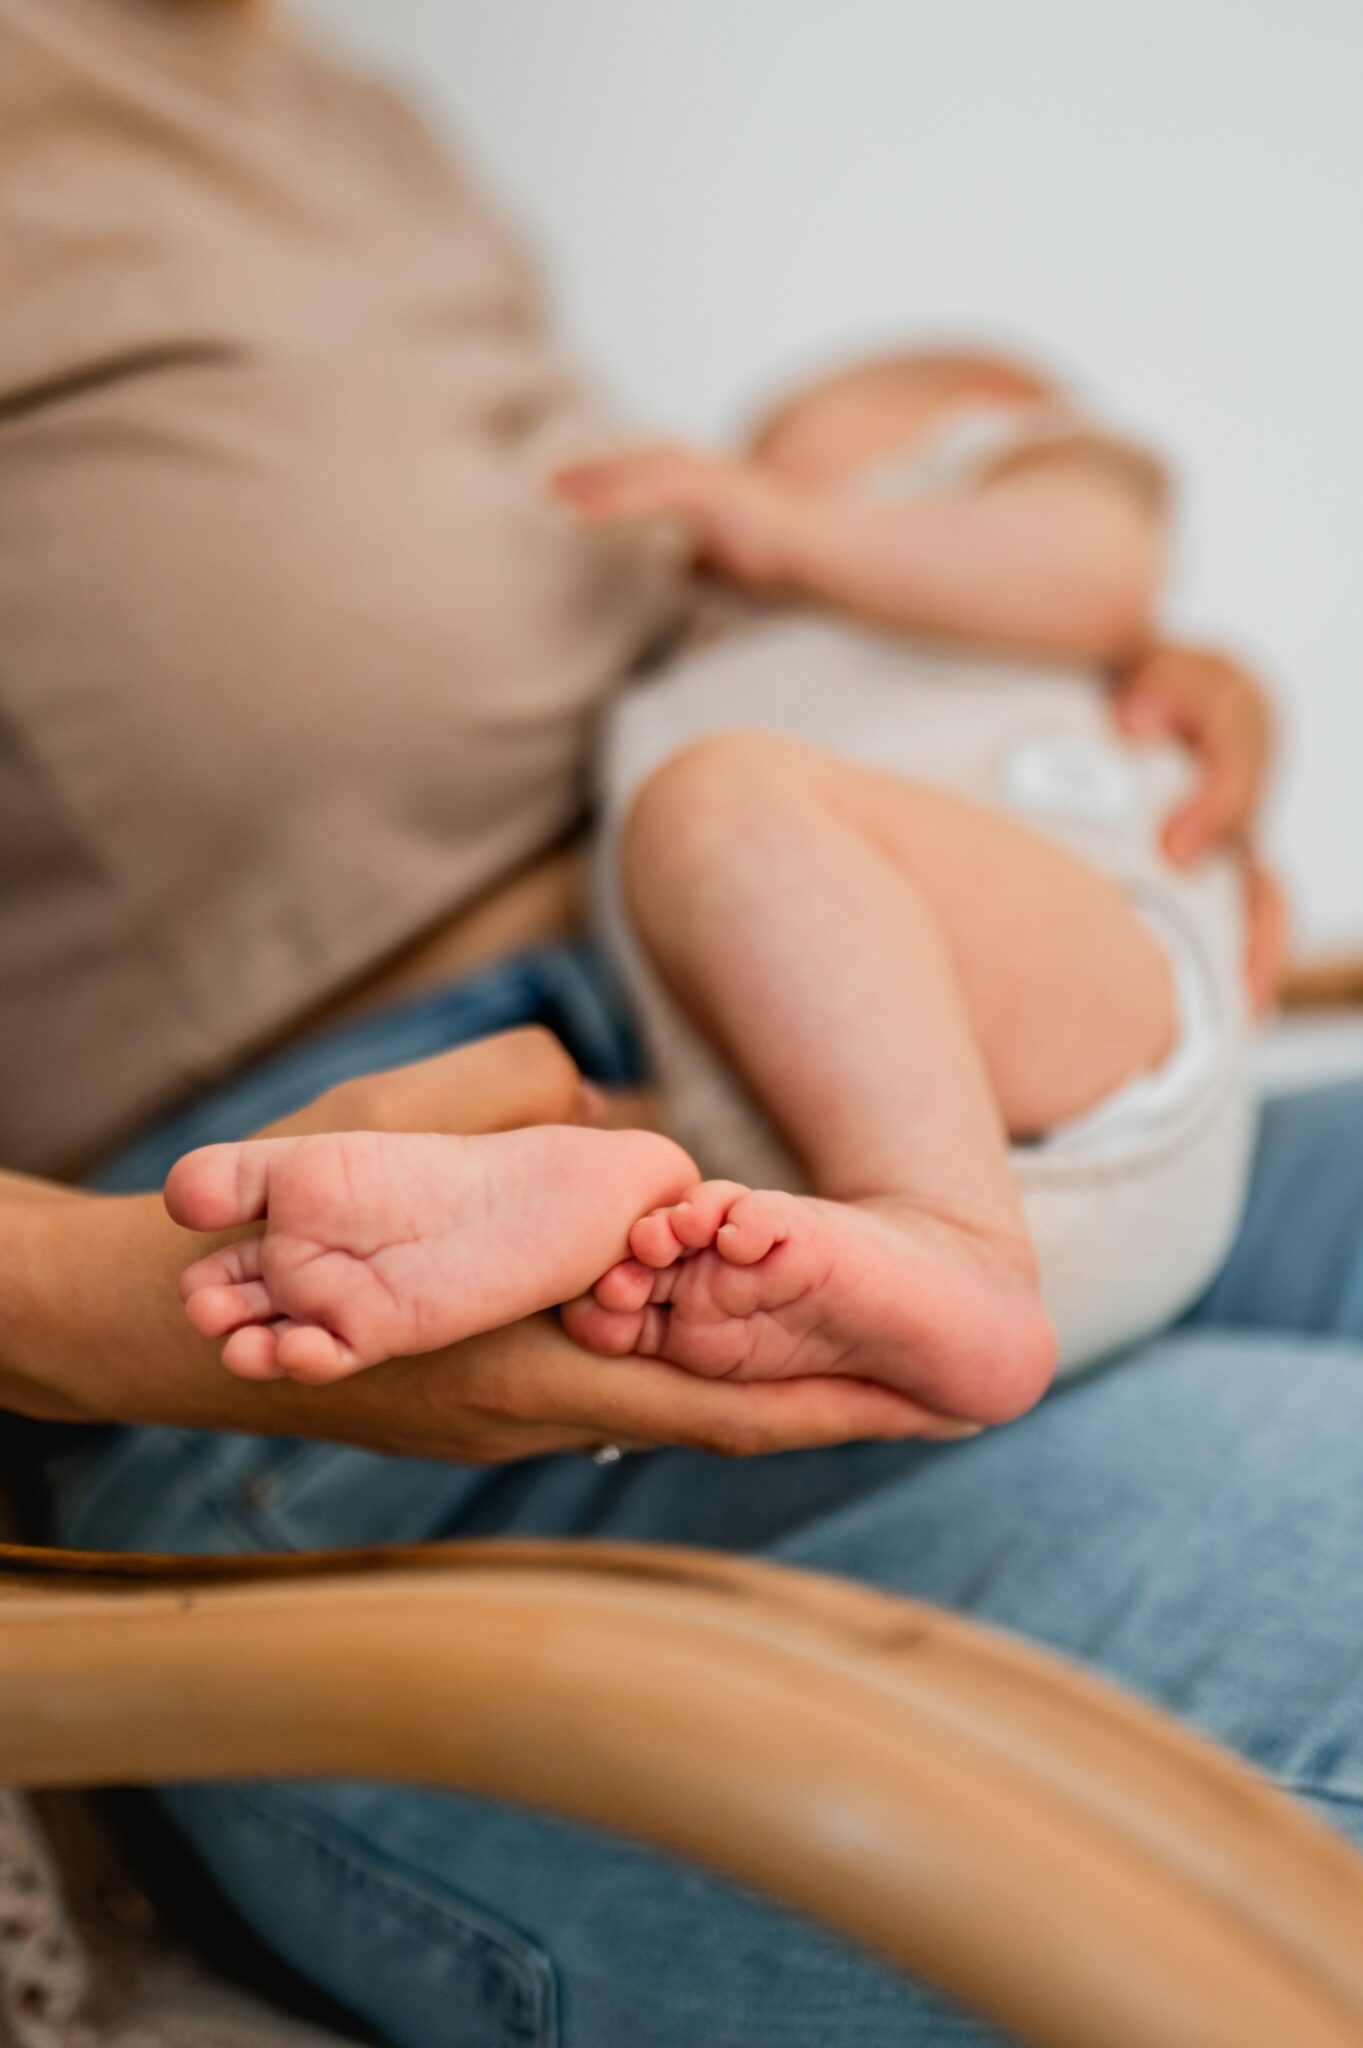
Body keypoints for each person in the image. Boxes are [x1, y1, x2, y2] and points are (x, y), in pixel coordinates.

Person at [13, 3, 1363, 2046]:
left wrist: (1105, 707)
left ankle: (850, 1215)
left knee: (742, 830)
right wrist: (108, 1301)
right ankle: (778, 1219)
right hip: (355, 1364)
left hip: (815, 1055)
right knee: (728, 824)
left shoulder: (346, 115)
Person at [164, 350, 1249, 1412]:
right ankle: (543, 1207)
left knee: (721, 805)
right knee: (625, 1157)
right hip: (866, 1178)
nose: (746, 482)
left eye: (783, 444)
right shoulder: (721, 649)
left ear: (981, 401)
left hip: (1097, 1018)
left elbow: (1092, 571)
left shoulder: (1014, 461)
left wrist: (793, 524)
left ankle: (954, 1240)